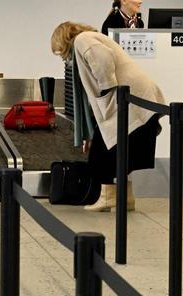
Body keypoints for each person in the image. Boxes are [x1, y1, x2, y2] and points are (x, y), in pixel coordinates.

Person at [51, 21, 165, 211]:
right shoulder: (91, 38)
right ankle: (125, 197)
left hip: (128, 101)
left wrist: (106, 87)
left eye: (58, 50)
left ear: (62, 39)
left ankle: (108, 198)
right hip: (135, 100)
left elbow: (102, 61)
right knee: (120, 152)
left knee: (101, 155)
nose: (61, 55)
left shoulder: (82, 40)